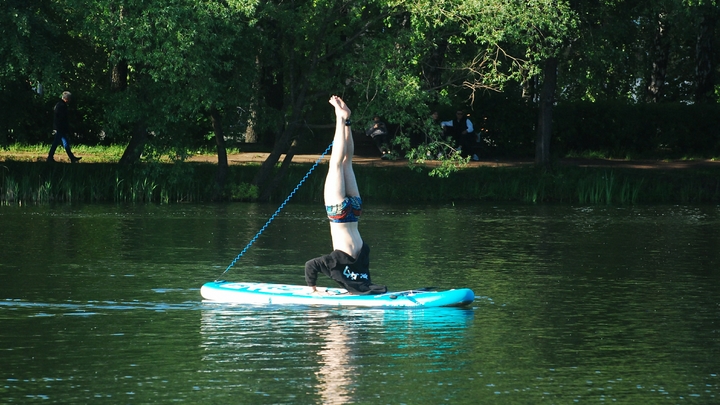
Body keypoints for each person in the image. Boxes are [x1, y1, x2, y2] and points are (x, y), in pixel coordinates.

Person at [304, 96, 387, 295]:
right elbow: (310, 266)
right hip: (340, 214)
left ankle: (345, 119)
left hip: (355, 211)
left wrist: (315, 292)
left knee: (344, 162)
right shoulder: (337, 262)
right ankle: (342, 119)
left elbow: (311, 265)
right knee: (337, 162)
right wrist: (312, 288)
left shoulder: (361, 261)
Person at [47, 91, 81, 163]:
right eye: (70, 99)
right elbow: (62, 118)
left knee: (65, 143)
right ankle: (50, 157)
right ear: (67, 99)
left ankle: (71, 157)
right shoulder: (62, 106)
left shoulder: (58, 104)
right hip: (60, 128)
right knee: (57, 143)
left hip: (59, 127)